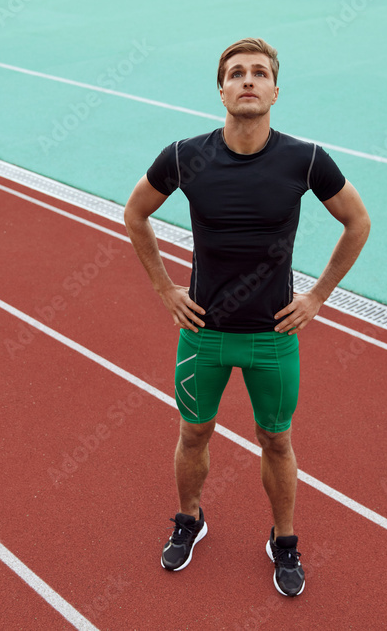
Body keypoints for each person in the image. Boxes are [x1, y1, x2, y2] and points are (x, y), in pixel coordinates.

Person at [123, 37, 370, 597]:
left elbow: (358, 221)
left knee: (276, 441)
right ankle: (190, 519)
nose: (248, 80)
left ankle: (284, 540)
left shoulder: (304, 159)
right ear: (222, 89)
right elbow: (135, 213)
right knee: (194, 432)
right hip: (203, 336)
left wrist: (317, 297)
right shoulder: (186, 155)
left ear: (276, 91)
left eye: (260, 73)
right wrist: (164, 289)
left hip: (272, 338)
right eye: (237, 73)